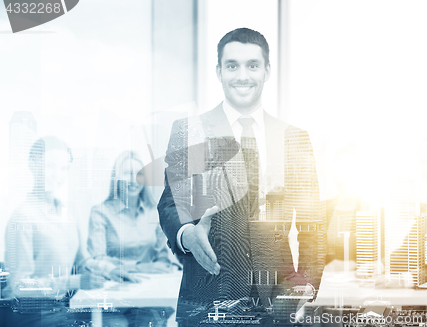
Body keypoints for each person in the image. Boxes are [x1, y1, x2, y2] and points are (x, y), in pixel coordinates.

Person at [158, 28, 325, 326]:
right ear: (219, 72)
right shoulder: (192, 131)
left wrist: (304, 284)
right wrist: (187, 235)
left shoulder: (292, 139)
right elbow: (172, 204)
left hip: (276, 306)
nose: (242, 75)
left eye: (253, 65)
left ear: (267, 71)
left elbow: (313, 222)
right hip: (206, 302)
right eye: (232, 65)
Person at [4, 136, 111, 327]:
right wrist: (74, 282)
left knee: (122, 319)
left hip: (62, 308)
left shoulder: (67, 212)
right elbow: (19, 287)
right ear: (33, 164)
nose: (57, 174)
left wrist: (112, 270)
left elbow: (82, 260)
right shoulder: (22, 217)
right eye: (50, 166)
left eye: (63, 168)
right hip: (32, 316)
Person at [85, 151, 175, 326]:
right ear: (116, 177)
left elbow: (162, 260)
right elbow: (97, 259)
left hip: (148, 293)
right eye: (127, 173)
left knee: (150, 320)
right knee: (118, 323)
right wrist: (141, 267)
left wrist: (157, 267)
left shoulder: (153, 213)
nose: (134, 180)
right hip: (113, 292)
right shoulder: (100, 212)